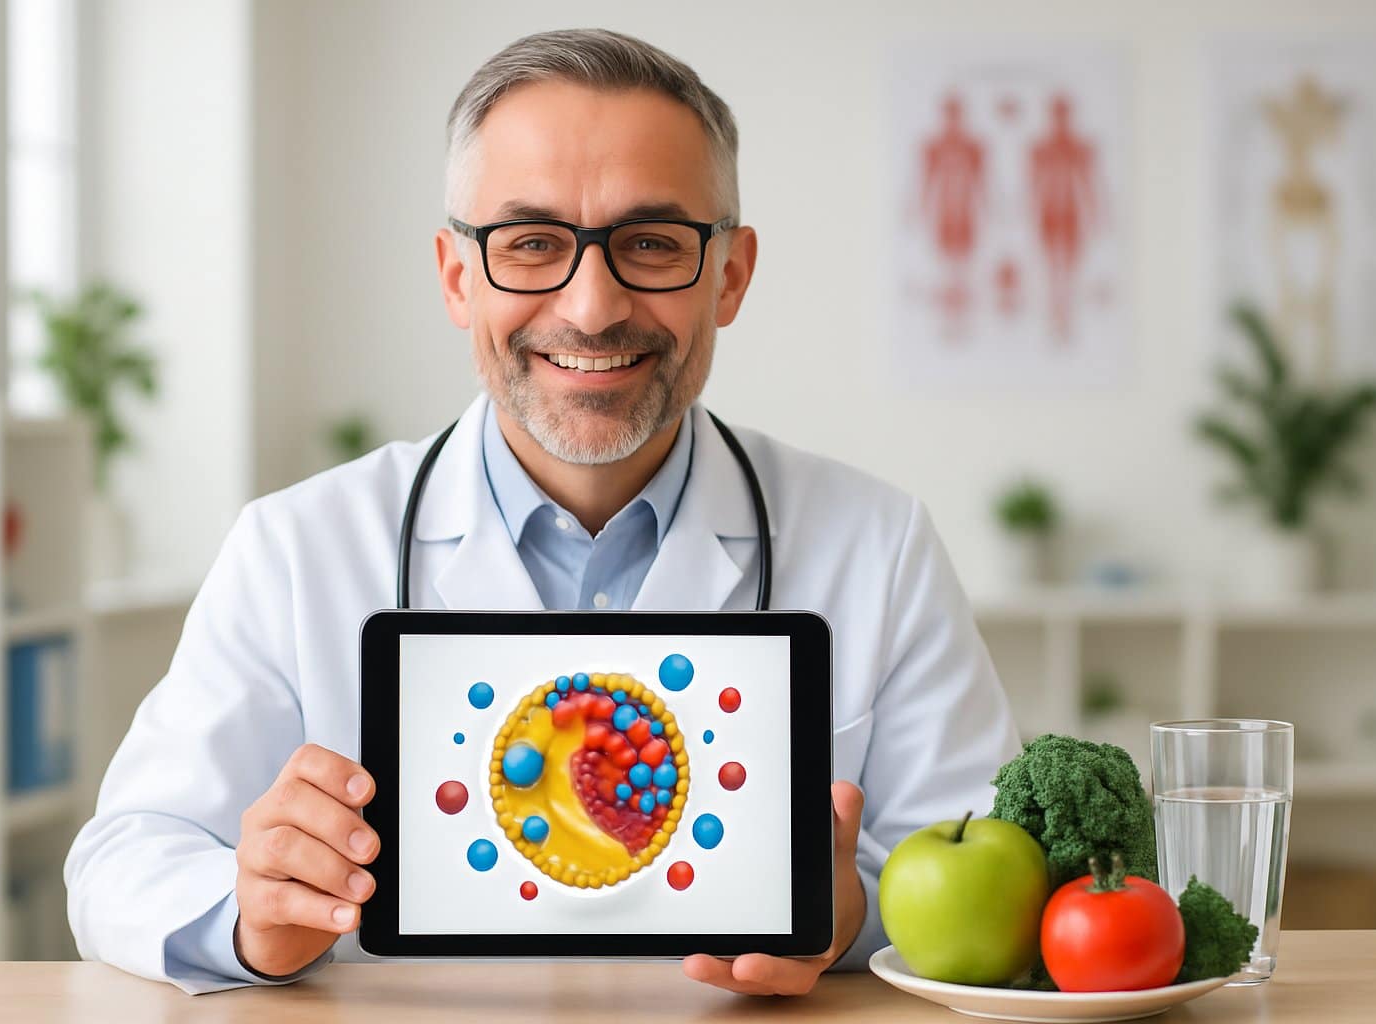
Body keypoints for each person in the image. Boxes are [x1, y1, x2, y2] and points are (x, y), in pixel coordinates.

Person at [64, 28, 1021, 997]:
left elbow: (998, 870)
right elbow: (123, 858)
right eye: (531, 244)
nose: (593, 305)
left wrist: (847, 909)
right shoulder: (297, 548)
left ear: (728, 275)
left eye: (651, 243)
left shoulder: (877, 546)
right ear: (455, 275)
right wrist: (249, 907)